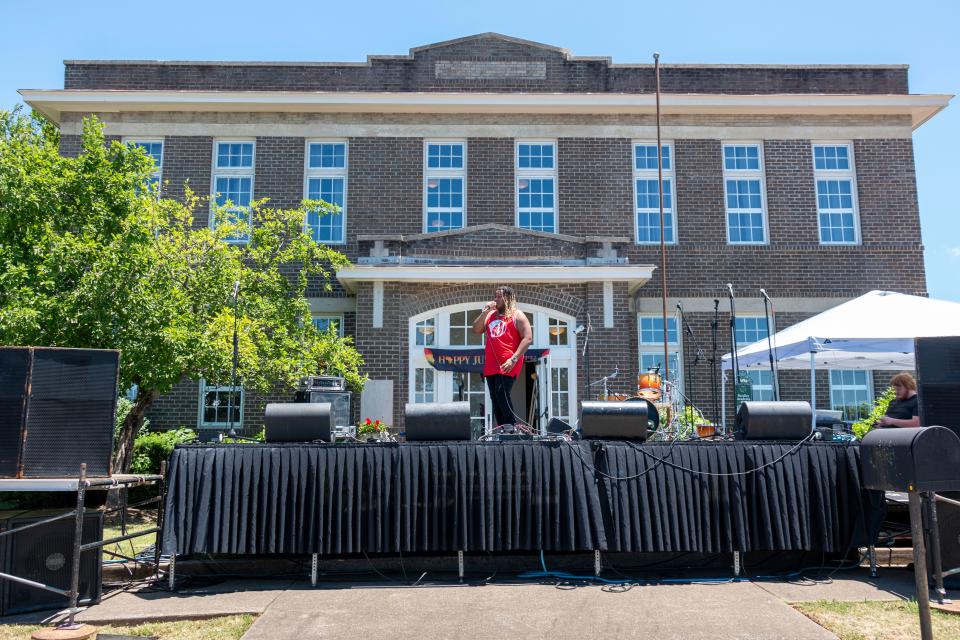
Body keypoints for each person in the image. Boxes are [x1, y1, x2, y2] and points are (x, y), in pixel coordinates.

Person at [472, 286, 533, 428]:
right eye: (495, 296)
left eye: (499, 297)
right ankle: (502, 429)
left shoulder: (517, 315)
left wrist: (514, 358)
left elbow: (528, 338)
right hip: (491, 364)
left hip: (509, 362)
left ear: (508, 298)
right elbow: (476, 329)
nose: (496, 299)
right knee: (495, 398)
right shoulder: (490, 315)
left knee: (501, 393)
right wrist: (485, 312)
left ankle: (511, 427)